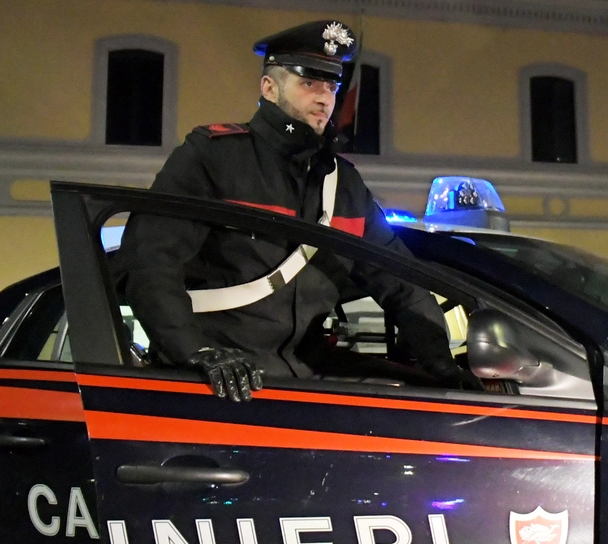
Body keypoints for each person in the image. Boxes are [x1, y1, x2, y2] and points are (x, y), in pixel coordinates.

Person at [116, 20, 477, 400]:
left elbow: (401, 282)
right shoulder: (215, 156)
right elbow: (149, 263)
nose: (324, 98)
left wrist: (441, 364)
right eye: (309, 83)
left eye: (332, 86)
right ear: (269, 88)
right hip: (220, 378)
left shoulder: (345, 185)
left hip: (305, 375)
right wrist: (195, 352)